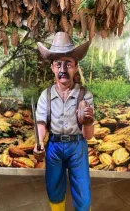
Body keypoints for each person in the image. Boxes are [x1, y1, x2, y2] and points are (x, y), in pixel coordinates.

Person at [33, 32, 94, 211]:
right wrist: (39, 142)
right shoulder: (47, 95)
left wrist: (88, 122)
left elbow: (88, 136)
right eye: (58, 64)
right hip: (55, 147)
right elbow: (41, 123)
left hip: (77, 147)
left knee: (83, 193)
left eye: (68, 64)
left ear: (75, 67)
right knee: (54, 188)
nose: (63, 70)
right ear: (52, 67)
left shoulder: (85, 95)